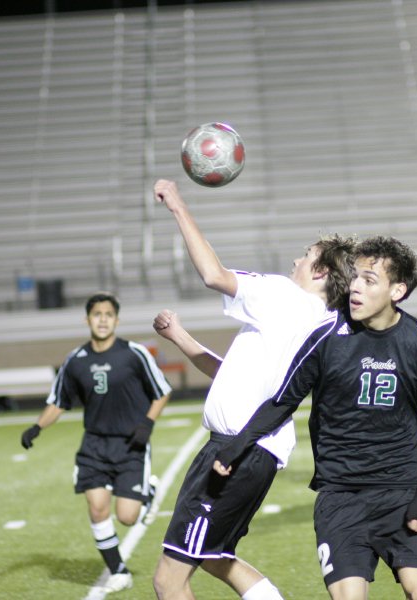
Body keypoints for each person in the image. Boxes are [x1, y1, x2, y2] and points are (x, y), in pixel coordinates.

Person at [151, 178, 356, 600]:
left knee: (169, 579)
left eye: (305, 256)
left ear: (320, 272)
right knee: (213, 555)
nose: (295, 261)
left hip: (233, 451)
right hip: (258, 453)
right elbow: (235, 376)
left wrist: (177, 204)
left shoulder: (283, 296)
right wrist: (181, 338)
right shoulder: (320, 323)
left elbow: (213, 274)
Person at [214, 236, 417, 600]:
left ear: (397, 290)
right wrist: (237, 444)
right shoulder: (325, 336)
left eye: (369, 280)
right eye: (355, 277)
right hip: (340, 496)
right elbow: (283, 401)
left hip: (399, 491)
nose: (355, 287)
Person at [20, 292, 173, 594]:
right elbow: (58, 401)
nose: (102, 320)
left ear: (117, 320)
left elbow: (162, 390)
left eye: (108, 315)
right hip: (94, 446)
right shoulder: (75, 360)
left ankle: (148, 492)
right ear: (87, 319)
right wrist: (37, 426)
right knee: (98, 507)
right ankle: (118, 571)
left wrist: (147, 423)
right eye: (96, 314)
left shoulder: (134, 353)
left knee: (127, 517)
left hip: (131, 445)